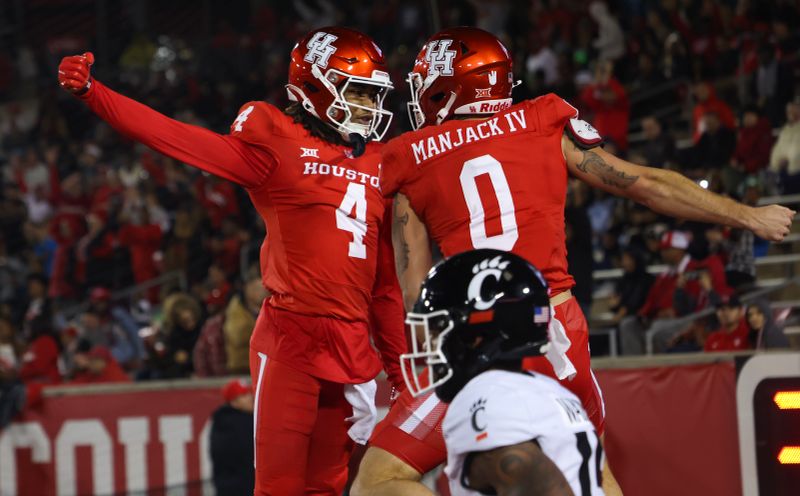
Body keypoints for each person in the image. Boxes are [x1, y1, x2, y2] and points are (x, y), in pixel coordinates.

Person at [353, 26, 794, 496]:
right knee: (590, 474)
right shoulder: (542, 118)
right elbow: (644, 185)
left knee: (379, 480)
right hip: (557, 326)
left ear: (449, 89)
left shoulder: (407, 156)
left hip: (476, 334)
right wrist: (748, 215)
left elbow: (417, 293)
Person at [58, 26, 407, 495]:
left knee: (327, 485)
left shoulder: (378, 161)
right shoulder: (276, 144)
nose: (369, 107)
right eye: (358, 92)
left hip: (351, 344)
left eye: (372, 94)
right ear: (313, 89)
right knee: (278, 487)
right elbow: (175, 138)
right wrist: (94, 94)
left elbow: (384, 283)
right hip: (292, 339)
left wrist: (401, 368)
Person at [404, 249, 603, 495]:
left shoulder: (487, 399)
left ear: (475, 337)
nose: (430, 345)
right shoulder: (548, 391)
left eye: (439, 330)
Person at [210, 378, 256, 496]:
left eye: (250, 393)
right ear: (233, 401)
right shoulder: (238, 423)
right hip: (239, 489)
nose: (251, 397)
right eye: (244, 395)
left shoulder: (221, 420)